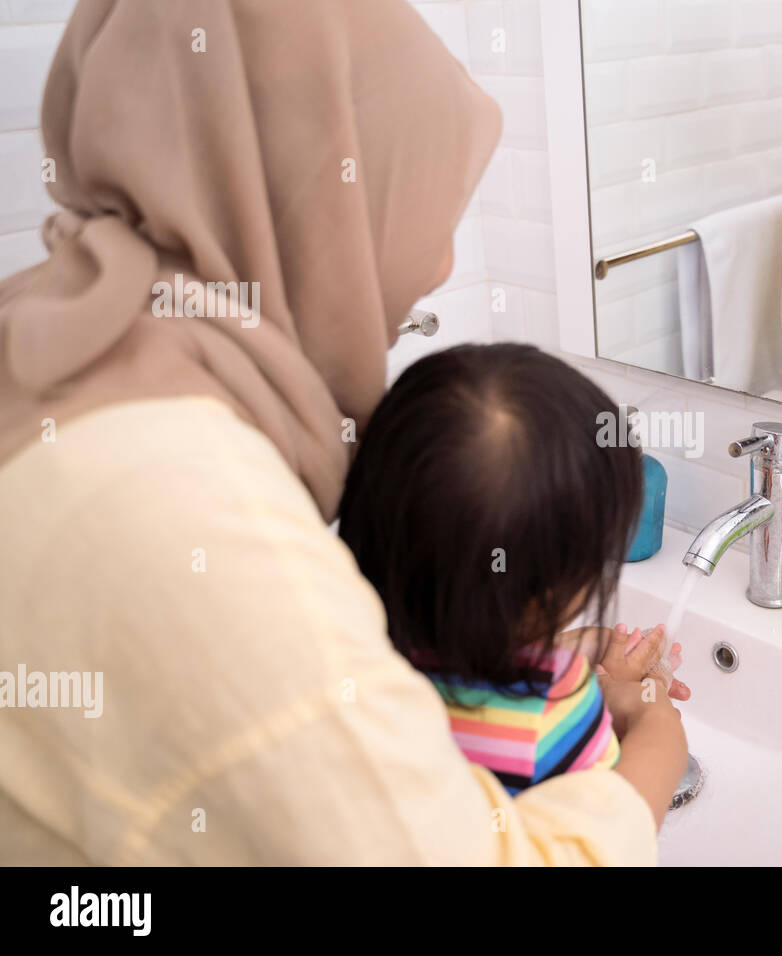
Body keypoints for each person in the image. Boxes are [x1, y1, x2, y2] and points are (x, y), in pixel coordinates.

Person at [0, 0, 664, 864]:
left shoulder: (51, 340)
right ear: (314, 192)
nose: (440, 266)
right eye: (420, 204)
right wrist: (653, 756)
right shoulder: (185, 509)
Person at [337, 344, 687, 815]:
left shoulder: (362, 660)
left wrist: (577, 651)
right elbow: (619, 825)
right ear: (559, 582)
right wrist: (648, 710)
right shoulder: (552, 717)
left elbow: (473, 671)